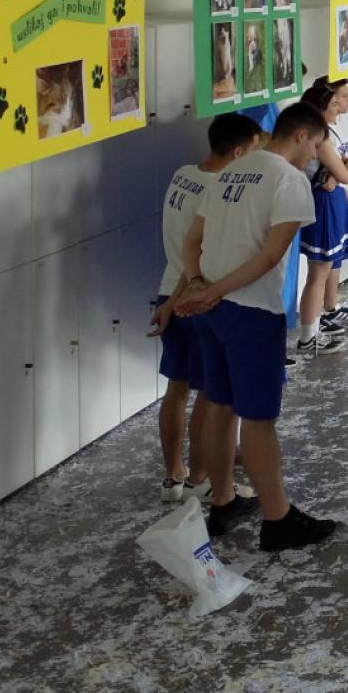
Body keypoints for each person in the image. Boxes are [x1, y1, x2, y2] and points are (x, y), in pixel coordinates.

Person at [175, 102, 336, 551]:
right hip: (250, 311)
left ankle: (224, 500)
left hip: (212, 310)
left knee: (219, 403)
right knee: (259, 418)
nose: (315, 156)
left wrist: (200, 286)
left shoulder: (233, 169)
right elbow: (269, 257)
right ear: (301, 136)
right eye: (316, 146)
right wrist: (212, 290)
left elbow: (193, 240)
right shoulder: (289, 180)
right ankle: (277, 519)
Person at [148, 113, 259, 503]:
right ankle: (200, 478)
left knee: (176, 388)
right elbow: (197, 252)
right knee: (210, 395)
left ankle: (173, 475)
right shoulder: (218, 190)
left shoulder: (184, 174)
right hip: (194, 298)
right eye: (254, 150)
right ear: (239, 152)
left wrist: (169, 301)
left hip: (168, 290)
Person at [296, 77, 348, 359]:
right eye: (333, 103)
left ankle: (316, 326)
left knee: (325, 269)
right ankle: (308, 337)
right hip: (323, 205)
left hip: (331, 202)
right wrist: (346, 168)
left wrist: (343, 172)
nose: (338, 107)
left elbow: (340, 175)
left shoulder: (323, 134)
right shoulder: (320, 139)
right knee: (318, 273)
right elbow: (343, 174)